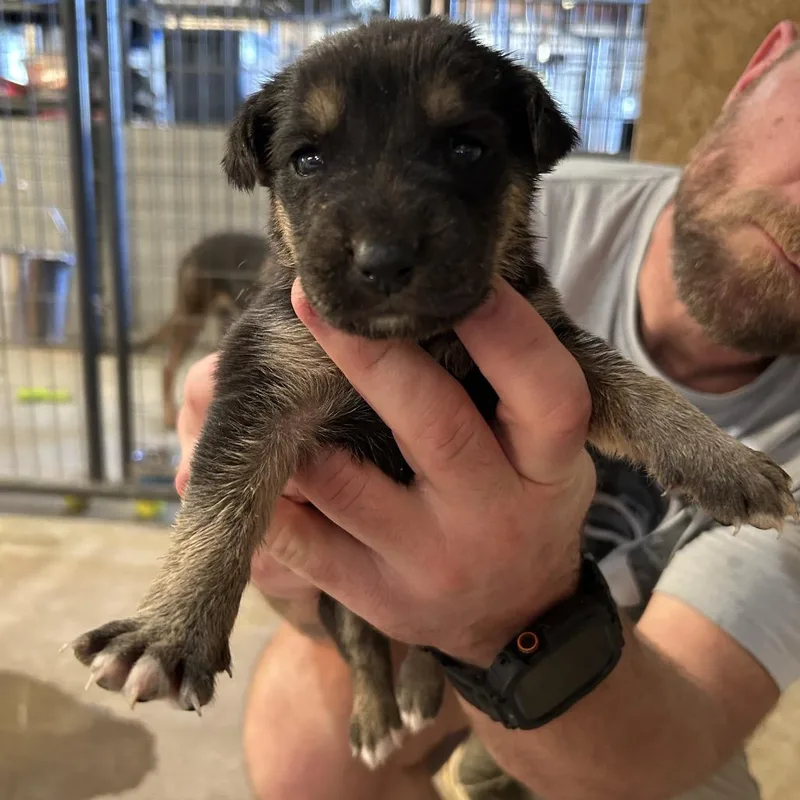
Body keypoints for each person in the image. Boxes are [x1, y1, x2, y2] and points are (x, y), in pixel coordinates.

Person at [174, 20, 800, 800]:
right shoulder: (576, 210)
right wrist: (270, 566)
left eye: (463, 152)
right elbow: (258, 493)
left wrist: (500, 617)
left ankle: (496, 735)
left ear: (519, 170)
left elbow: (678, 741)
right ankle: (416, 693)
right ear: (765, 61)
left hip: (625, 660)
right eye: (310, 159)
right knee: (310, 732)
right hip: (392, 603)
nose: (380, 242)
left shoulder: (522, 249)